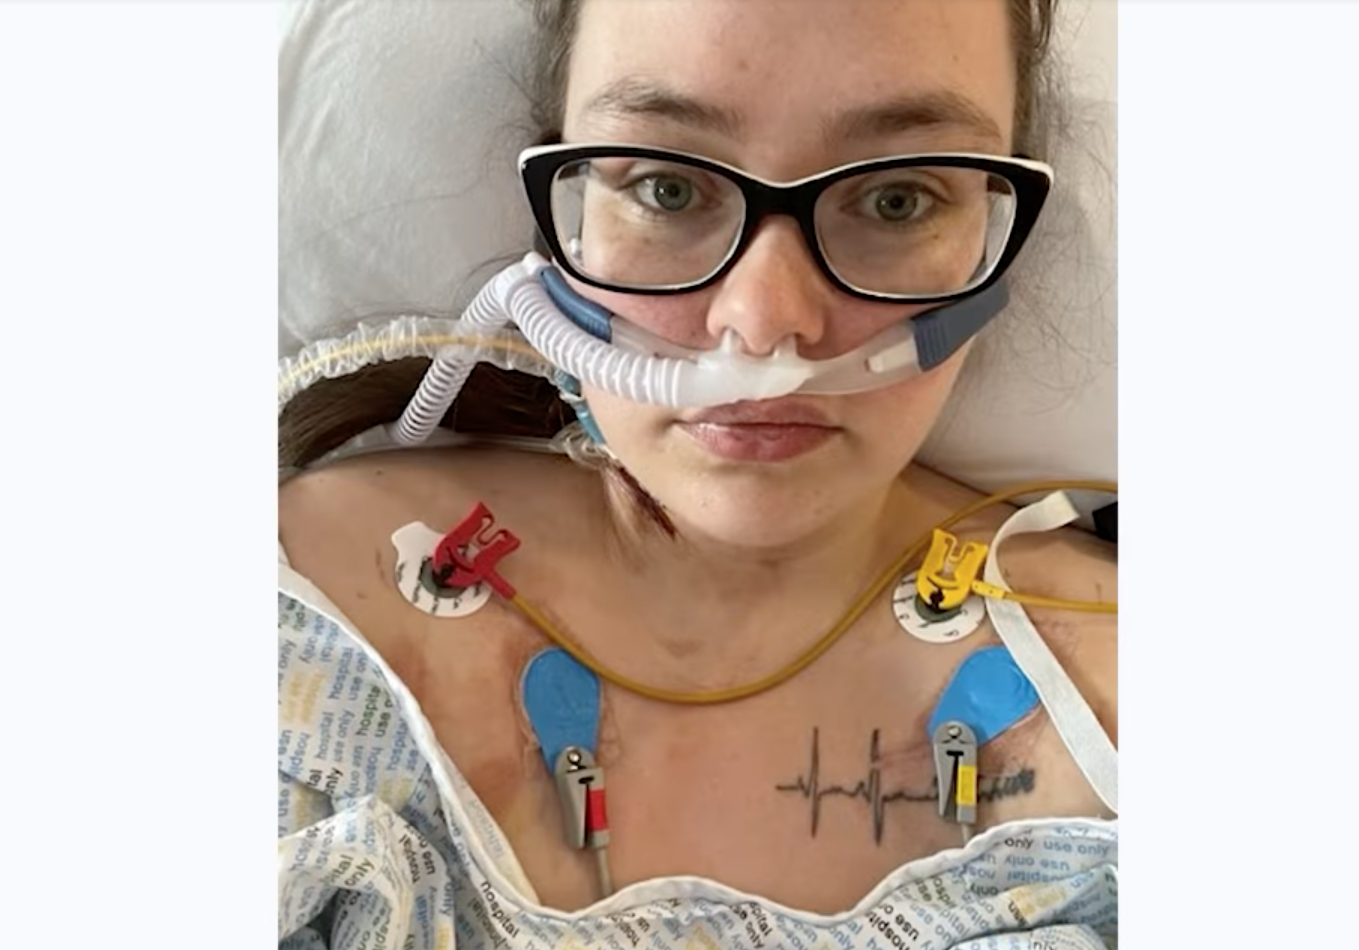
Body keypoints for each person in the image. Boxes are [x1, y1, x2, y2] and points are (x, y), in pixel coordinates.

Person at [277, 0, 1117, 945]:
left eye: (898, 199)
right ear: (567, 217)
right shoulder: (306, 613)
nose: (761, 324)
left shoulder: (1115, 706)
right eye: (668, 189)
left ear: (994, 232)